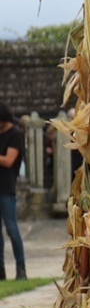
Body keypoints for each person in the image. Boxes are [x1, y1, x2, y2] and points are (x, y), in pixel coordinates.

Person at [0, 104, 27, 281]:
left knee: (12, 229)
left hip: (6, 188)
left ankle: (21, 269)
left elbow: (9, 160)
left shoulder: (16, 135)